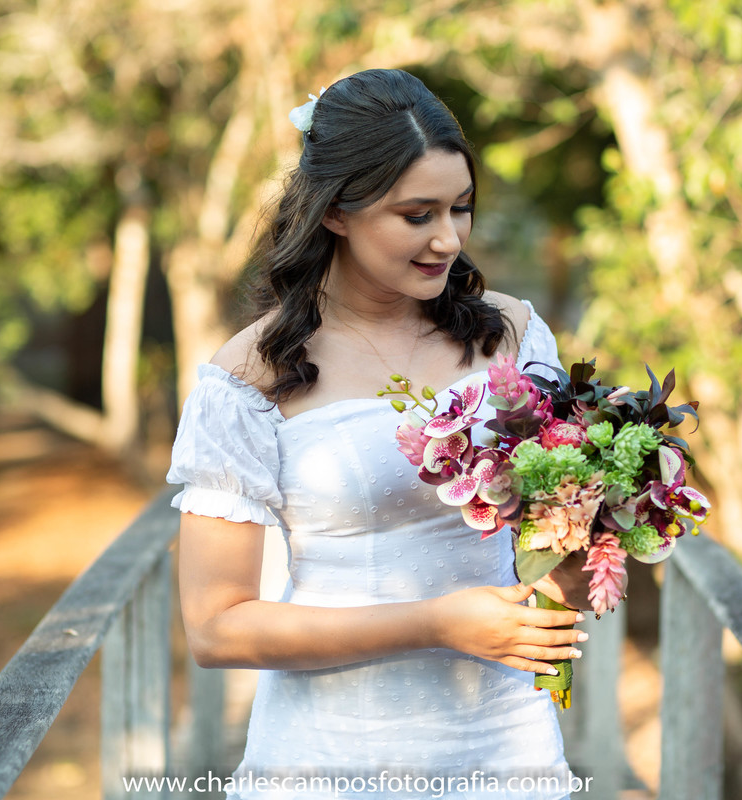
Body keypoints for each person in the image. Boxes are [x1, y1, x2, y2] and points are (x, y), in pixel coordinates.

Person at [167, 68, 590, 799]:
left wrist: (598, 536)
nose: (448, 239)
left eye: (460, 209)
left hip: (507, 748)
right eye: (416, 214)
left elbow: (558, 553)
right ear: (336, 211)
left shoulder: (515, 335)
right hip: (328, 760)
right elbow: (215, 629)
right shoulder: (251, 377)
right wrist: (434, 624)